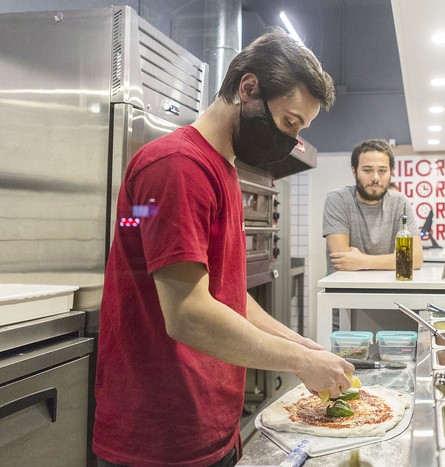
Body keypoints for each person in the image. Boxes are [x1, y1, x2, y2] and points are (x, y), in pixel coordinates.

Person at [93, 28, 354, 467]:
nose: (289, 140)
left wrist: (305, 349)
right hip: (158, 439)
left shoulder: (222, 168)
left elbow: (226, 297)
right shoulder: (176, 166)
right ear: (247, 87)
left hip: (207, 425)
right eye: (289, 122)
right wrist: (299, 361)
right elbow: (188, 313)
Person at [322, 139, 424, 274]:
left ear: (391, 173)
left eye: (382, 170)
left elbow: (415, 259)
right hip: (344, 290)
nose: (375, 177)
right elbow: (343, 261)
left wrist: (362, 261)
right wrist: (396, 260)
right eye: (367, 170)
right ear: (354, 171)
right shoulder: (338, 200)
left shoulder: (400, 202)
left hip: (382, 289)